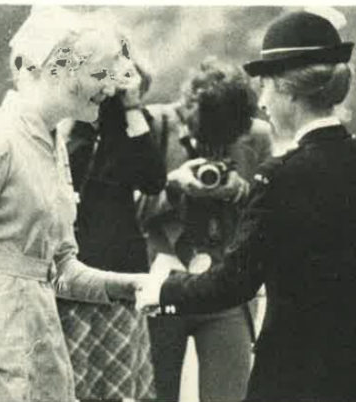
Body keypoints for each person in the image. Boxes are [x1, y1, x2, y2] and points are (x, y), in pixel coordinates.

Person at [140, 11, 356, 401]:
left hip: (291, 368)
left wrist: (164, 291)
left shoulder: (280, 176)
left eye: (267, 87)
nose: (263, 102)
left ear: (288, 92)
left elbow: (235, 282)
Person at [0, 7, 158, 402]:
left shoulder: (54, 142)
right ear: (58, 69)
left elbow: (61, 270)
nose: (110, 87)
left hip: (44, 347)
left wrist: (126, 285)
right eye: (99, 73)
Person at [138, 58, 272, 402]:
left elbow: (269, 217)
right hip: (162, 284)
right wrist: (172, 185)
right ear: (190, 107)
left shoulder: (256, 137)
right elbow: (127, 210)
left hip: (226, 288)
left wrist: (243, 192)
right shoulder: (153, 125)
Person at [56, 63, 166, 402]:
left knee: (116, 388)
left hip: (120, 263)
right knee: (72, 381)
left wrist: (131, 107)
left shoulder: (136, 125)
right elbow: (65, 170)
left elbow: (152, 180)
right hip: (74, 270)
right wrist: (81, 112)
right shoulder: (75, 125)